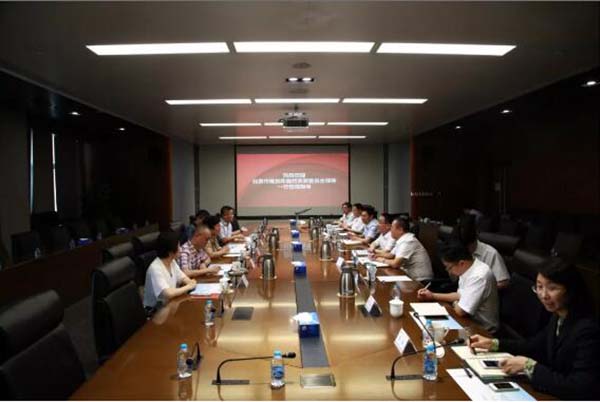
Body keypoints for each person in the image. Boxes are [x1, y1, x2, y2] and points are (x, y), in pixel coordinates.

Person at [470, 259, 600, 400]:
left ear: (570, 290)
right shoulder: (558, 315)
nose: (543, 295)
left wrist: (530, 367)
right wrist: (493, 344)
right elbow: (533, 345)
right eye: (539, 287)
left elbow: (580, 387)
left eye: (552, 288)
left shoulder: (588, 329)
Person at [417, 242, 499, 332]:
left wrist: (456, 302)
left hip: (482, 330)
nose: (448, 271)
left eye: (449, 267)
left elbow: (461, 311)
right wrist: (432, 295)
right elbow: (459, 295)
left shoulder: (478, 276)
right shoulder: (469, 268)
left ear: (461, 263)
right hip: (467, 321)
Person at [455, 214, 510, 289]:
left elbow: (503, 282)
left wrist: (481, 289)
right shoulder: (459, 250)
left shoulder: (491, 253)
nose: (467, 250)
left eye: (469, 246)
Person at [143, 231, 197, 309]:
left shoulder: (172, 262)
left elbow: (183, 278)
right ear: (170, 252)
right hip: (155, 310)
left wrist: (190, 282)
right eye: (178, 246)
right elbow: (168, 293)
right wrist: (189, 286)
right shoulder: (155, 269)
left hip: (169, 304)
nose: (181, 249)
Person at [377, 217, 433, 282]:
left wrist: (382, 260)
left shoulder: (408, 241)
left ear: (400, 230)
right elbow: (391, 255)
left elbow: (396, 264)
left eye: (392, 227)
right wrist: (376, 256)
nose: (390, 229)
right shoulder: (402, 239)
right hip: (409, 276)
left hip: (421, 281)